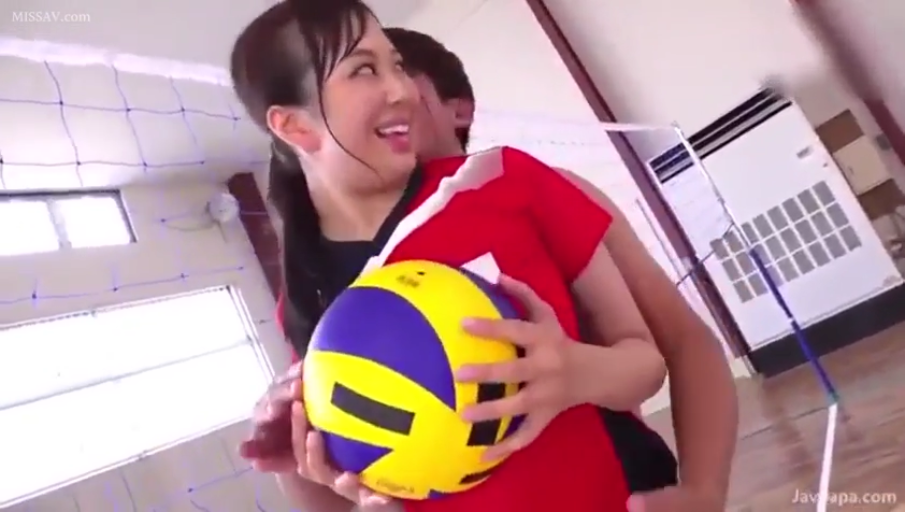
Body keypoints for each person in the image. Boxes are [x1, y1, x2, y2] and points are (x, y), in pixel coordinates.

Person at [232, 1, 668, 511]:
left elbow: (647, 366)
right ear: (293, 126)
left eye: (397, 64)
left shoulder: (502, 181)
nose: (404, 90)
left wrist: (573, 372)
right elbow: (344, 500)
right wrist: (299, 463)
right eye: (365, 70)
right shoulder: (308, 302)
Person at [382, 28, 739, 512]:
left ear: (459, 109)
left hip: (609, 482)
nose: (388, 97)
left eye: (401, 72)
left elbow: (684, 339)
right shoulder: (338, 262)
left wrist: (704, 491)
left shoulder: (540, 190)